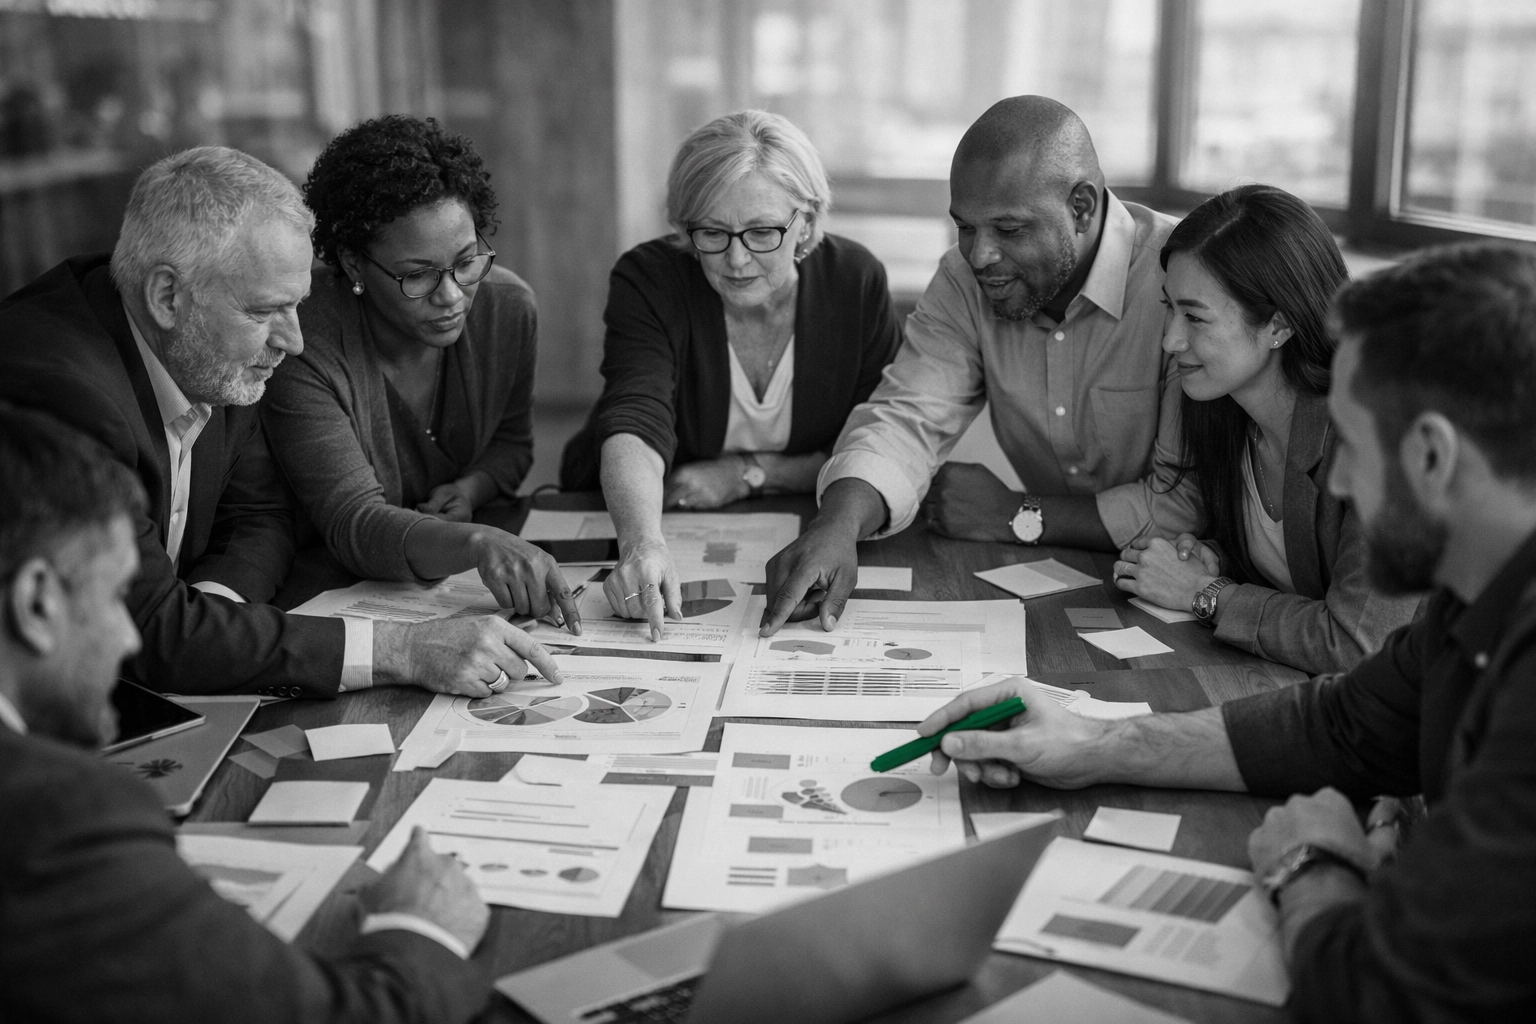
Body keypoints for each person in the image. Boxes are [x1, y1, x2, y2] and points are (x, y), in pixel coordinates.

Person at [917, 242, 1536, 1020]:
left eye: (1353, 445)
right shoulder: (1474, 590)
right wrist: (1093, 742)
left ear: (1434, 455)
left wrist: (1310, 865)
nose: (1341, 481)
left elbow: (1374, 997)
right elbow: (1343, 724)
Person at [0, 146, 560, 699]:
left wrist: (215, 626)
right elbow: (152, 633)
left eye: (297, 305)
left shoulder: (210, 344)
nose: (293, 342)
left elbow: (259, 516)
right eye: (266, 311)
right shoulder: (62, 392)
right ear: (167, 296)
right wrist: (402, 649)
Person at [0, 402, 493, 1023]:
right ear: (37, 602)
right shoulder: (54, 820)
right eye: (116, 596)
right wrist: (423, 929)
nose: (129, 639)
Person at [761, 95, 1180, 635]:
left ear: (1081, 207)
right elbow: (908, 415)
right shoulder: (963, 280)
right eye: (965, 227)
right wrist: (836, 526)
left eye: (1009, 230)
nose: (980, 256)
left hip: (1191, 589)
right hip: (1074, 582)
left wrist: (1018, 514)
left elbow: (1185, 506)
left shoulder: (1181, 277)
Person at [560, 110, 902, 639]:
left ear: (807, 221)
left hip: (805, 525)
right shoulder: (650, 278)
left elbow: (876, 443)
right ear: (684, 226)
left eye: (762, 232)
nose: (736, 260)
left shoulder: (854, 282)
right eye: (713, 232)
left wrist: (746, 474)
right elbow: (635, 417)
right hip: (648, 515)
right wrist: (642, 544)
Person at [262, 115, 577, 629]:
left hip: (444, 595)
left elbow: (511, 444)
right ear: (354, 264)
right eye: (418, 275)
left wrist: (471, 489)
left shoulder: (507, 308)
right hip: (329, 601)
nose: (451, 296)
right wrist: (474, 541)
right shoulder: (304, 340)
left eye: (467, 261)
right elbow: (353, 522)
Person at [1104, 184, 1421, 673]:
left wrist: (1206, 593)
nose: (1171, 340)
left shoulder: (1380, 436)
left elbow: (1357, 644)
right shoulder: (1222, 407)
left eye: (1195, 317)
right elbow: (1302, 569)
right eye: (1169, 308)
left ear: (1278, 325)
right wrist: (1214, 558)